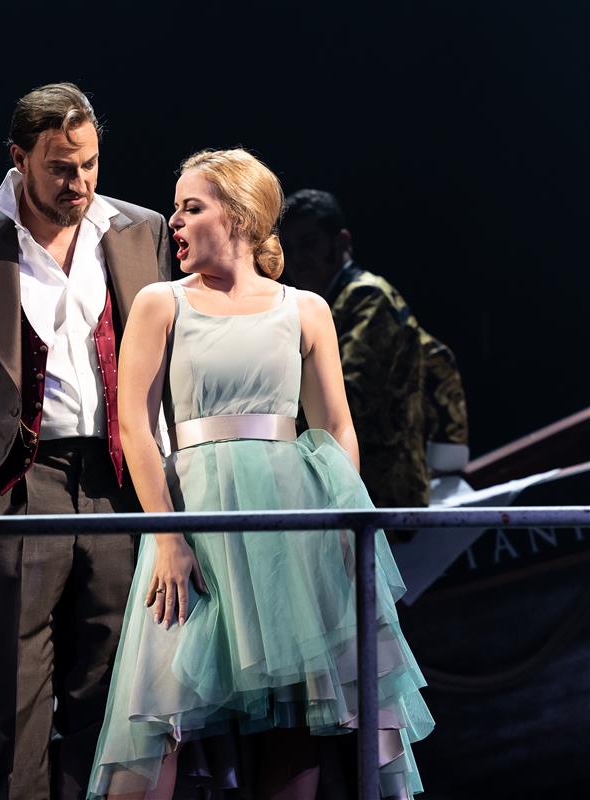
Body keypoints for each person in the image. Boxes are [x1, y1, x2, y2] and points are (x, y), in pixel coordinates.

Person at [86, 150, 434, 800]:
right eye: (176, 208)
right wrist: (167, 537)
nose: (174, 221)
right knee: (156, 714)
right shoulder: (163, 303)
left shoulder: (305, 309)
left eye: (192, 207)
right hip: (195, 521)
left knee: (295, 716)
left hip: (288, 529)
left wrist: (342, 526)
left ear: (240, 216)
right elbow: (135, 425)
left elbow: (336, 427)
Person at [0, 83, 171, 800]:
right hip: (18, 483)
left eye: (89, 164)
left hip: (116, 482)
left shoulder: (138, 230)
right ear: (18, 159)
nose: (78, 182)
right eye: (59, 167)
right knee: (11, 698)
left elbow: (166, 366)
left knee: (109, 691)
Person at [280, 190, 468, 510]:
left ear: (341, 242)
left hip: (380, 489)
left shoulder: (367, 297)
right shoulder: (329, 302)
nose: (297, 259)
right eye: (290, 248)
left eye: (309, 243)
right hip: (351, 481)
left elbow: (346, 397)